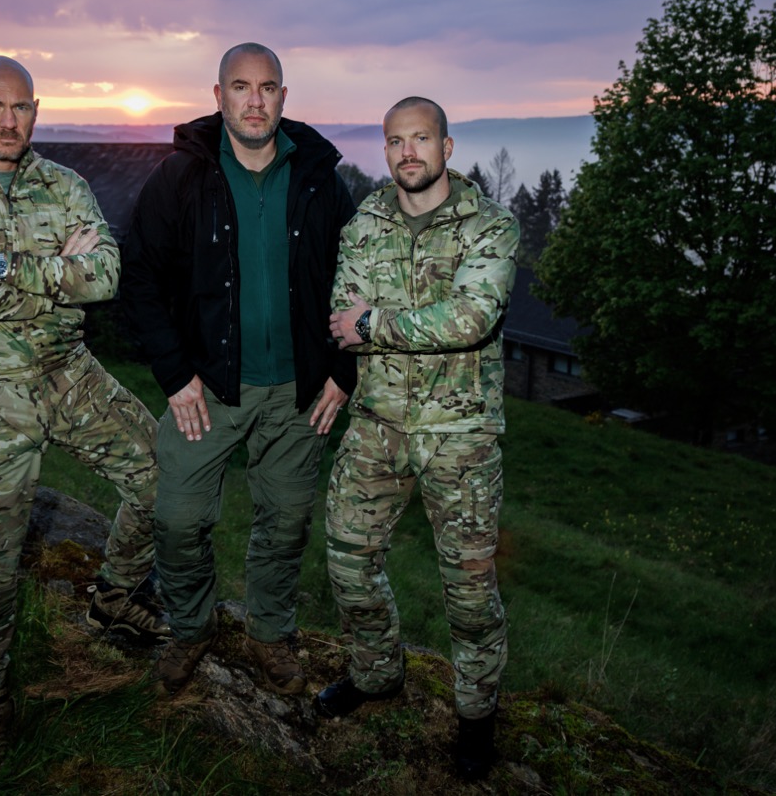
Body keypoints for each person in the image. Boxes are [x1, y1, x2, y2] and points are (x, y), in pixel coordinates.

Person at [0, 56, 166, 758]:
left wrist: (1, 268)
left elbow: (104, 275)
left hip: (68, 371)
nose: (9, 120)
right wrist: (57, 271)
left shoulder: (66, 184)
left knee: (163, 471)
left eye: (21, 107)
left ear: (37, 110)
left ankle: (114, 596)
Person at [121, 42, 357, 697]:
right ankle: (191, 626)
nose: (255, 100)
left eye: (268, 87)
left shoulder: (318, 180)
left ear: (284, 96)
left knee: (284, 522)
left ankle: (270, 631)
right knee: (177, 519)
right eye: (241, 86)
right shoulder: (181, 179)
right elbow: (138, 277)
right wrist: (174, 373)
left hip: (299, 391)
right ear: (218, 94)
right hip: (208, 387)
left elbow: (362, 281)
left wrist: (343, 371)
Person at [315, 96, 518, 782]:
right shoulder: (365, 221)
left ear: (447, 147)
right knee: (347, 556)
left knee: (468, 589)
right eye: (396, 141)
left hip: (460, 434)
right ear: (385, 150)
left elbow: (471, 315)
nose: (408, 152)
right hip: (379, 424)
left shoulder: (489, 226)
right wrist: (373, 323)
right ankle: (376, 673)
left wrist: (377, 323)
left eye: (421, 138)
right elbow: (343, 315)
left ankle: (475, 715)